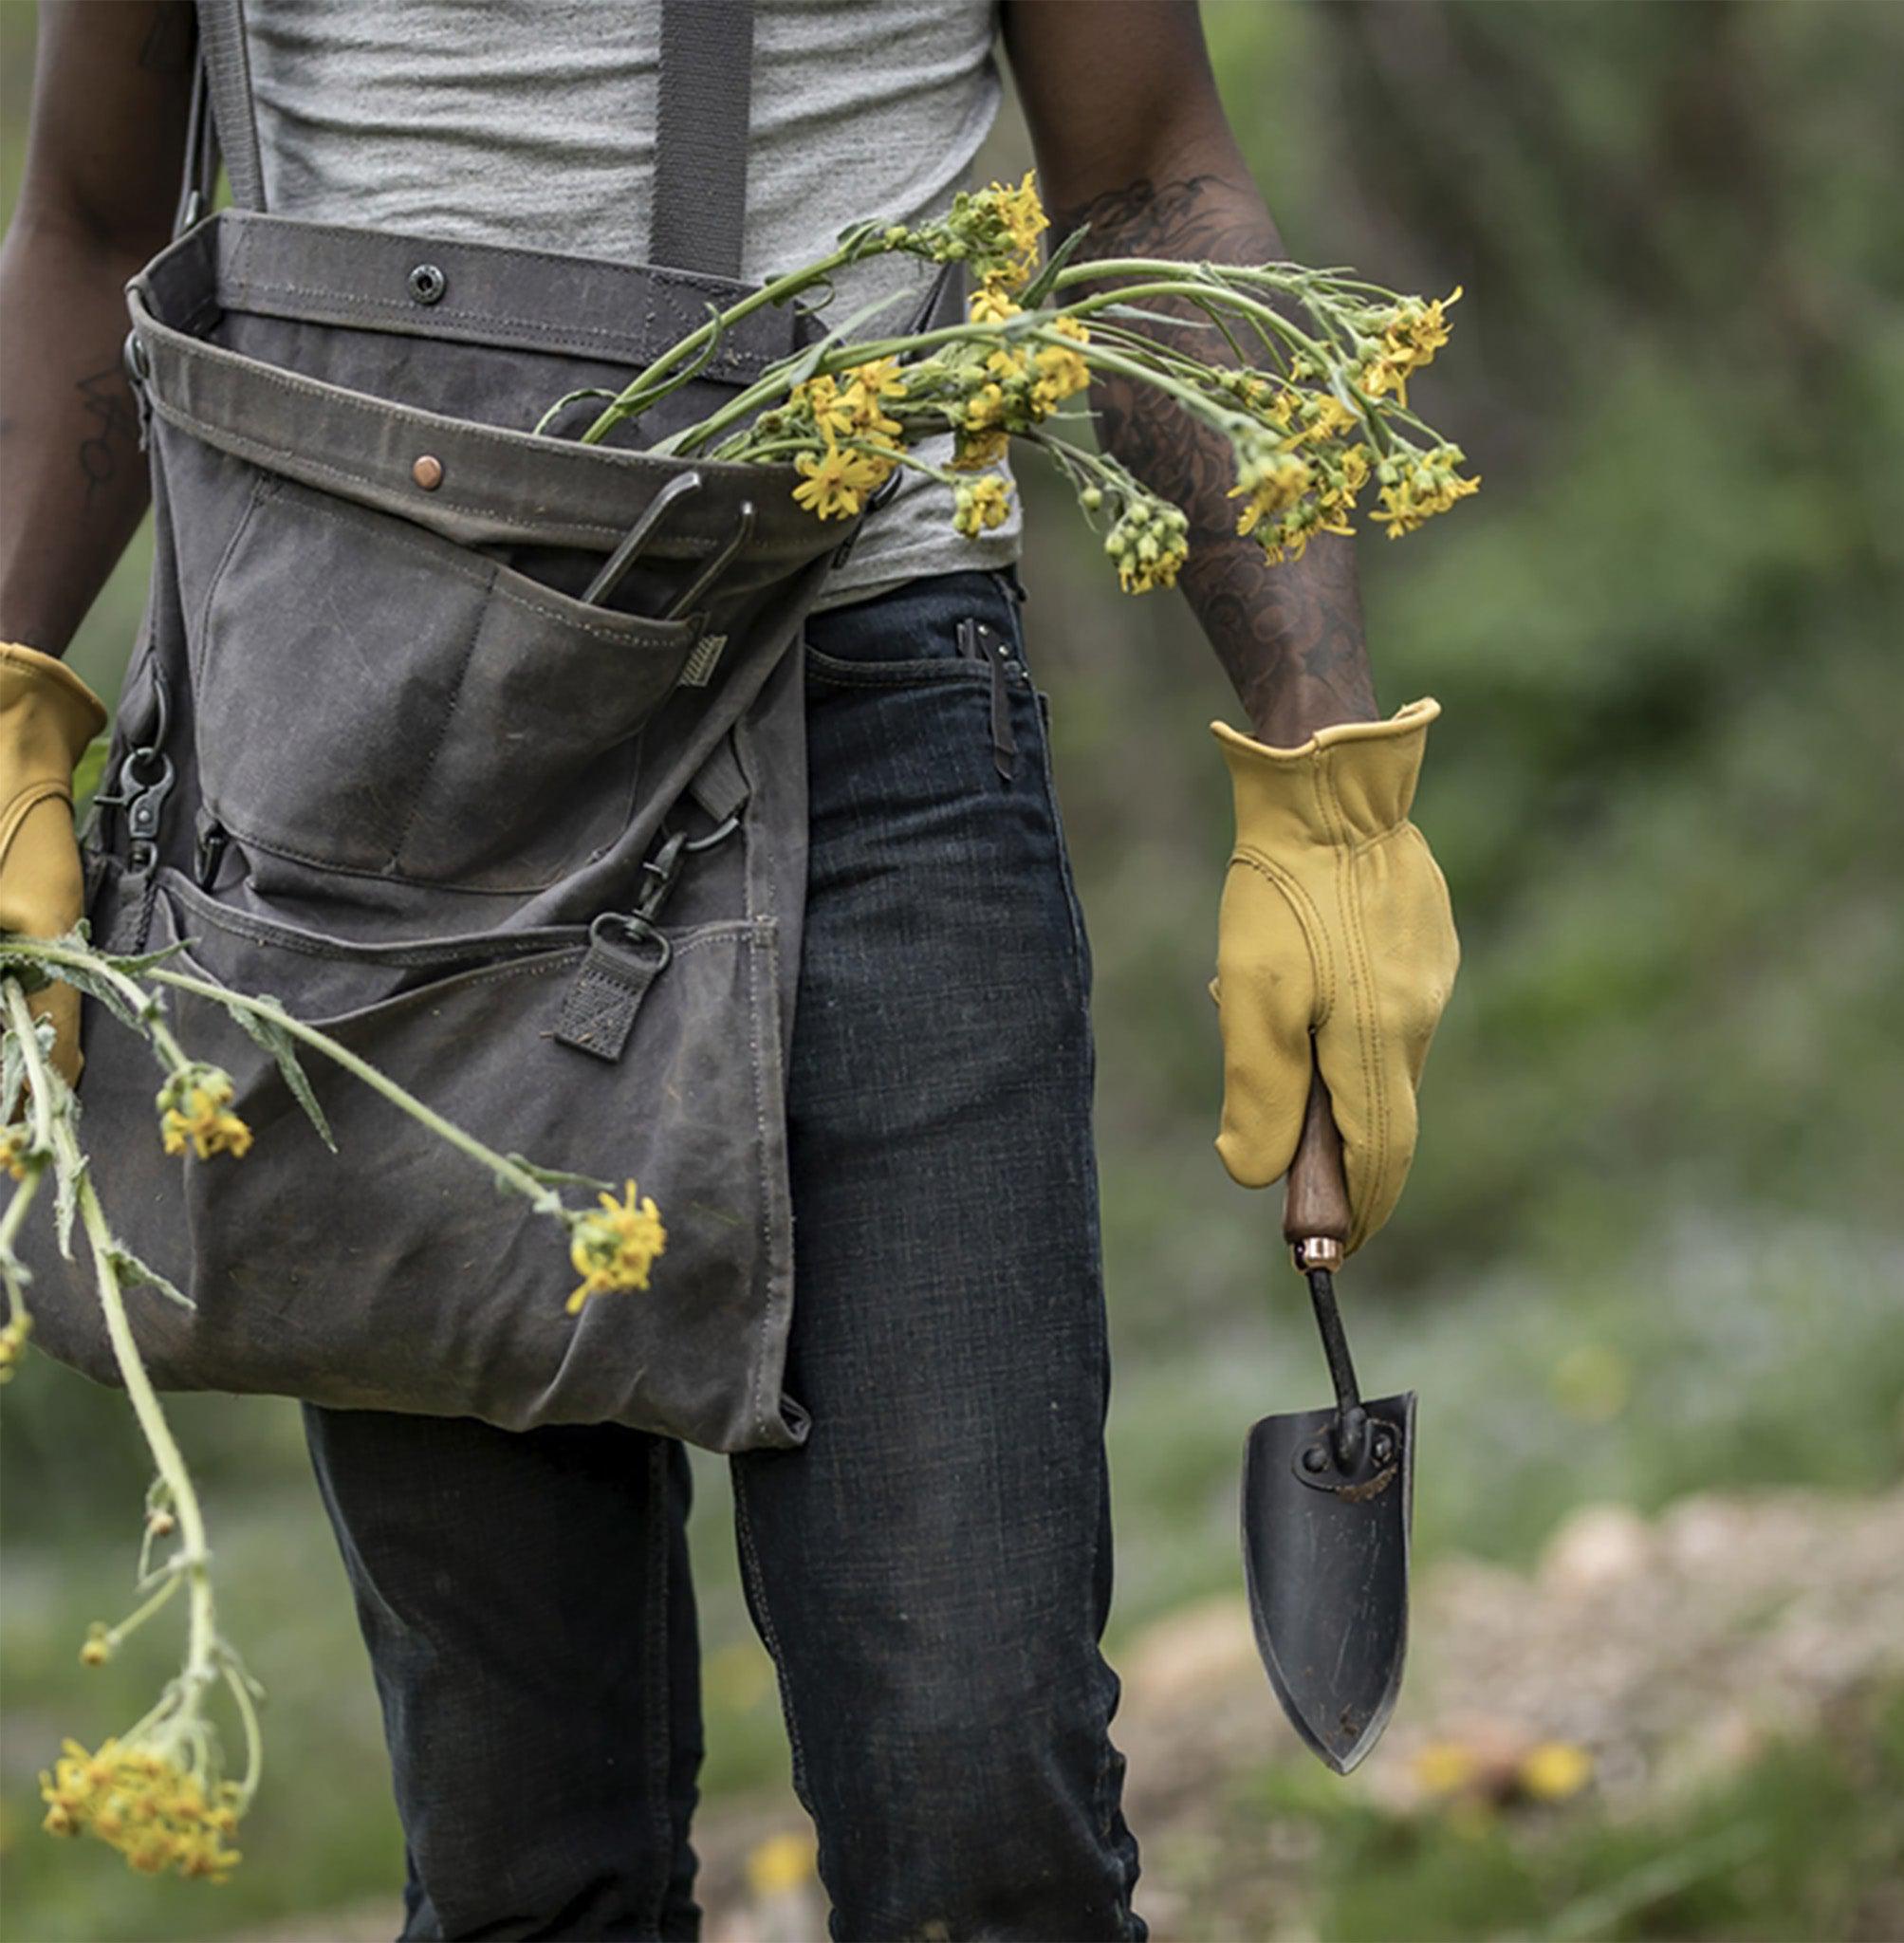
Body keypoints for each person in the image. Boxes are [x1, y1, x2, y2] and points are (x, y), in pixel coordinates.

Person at [0, 2, 1458, 1934]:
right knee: (528, 1853)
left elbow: (1144, 170)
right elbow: (95, 218)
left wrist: (1322, 776)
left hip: (874, 728)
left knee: (979, 1815)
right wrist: (15, 691)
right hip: (371, 767)